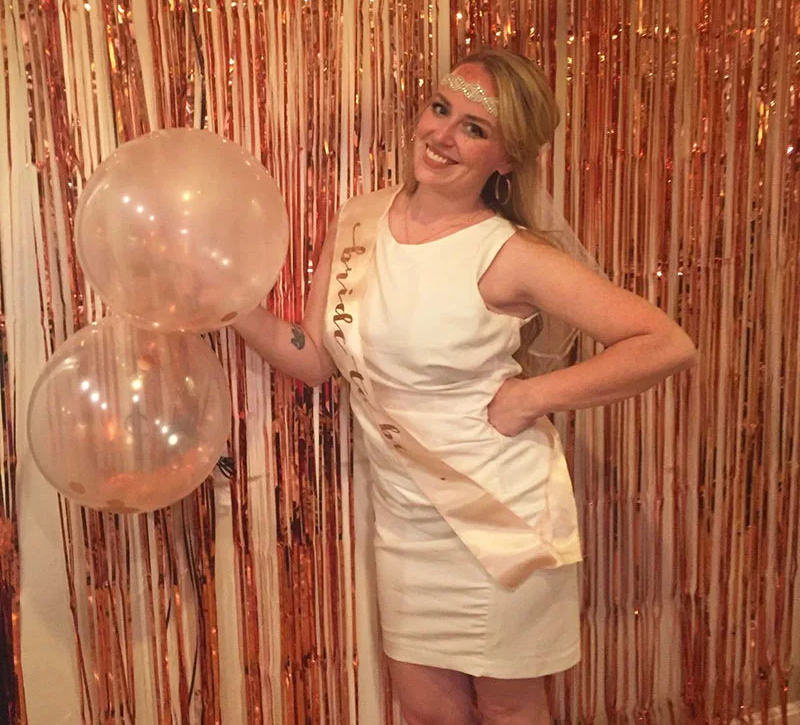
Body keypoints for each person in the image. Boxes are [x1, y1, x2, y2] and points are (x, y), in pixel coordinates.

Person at [233, 47, 697, 725]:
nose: (443, 135)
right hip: (405, 520)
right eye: (440, 109)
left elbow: (666, 343)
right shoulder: (359, 221)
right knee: (426, 709)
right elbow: (316, 358)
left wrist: (532, 397)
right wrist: (228, 306)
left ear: (506, 159)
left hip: (497, 519)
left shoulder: (509, 254)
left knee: (509, 708)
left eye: (474, 128)